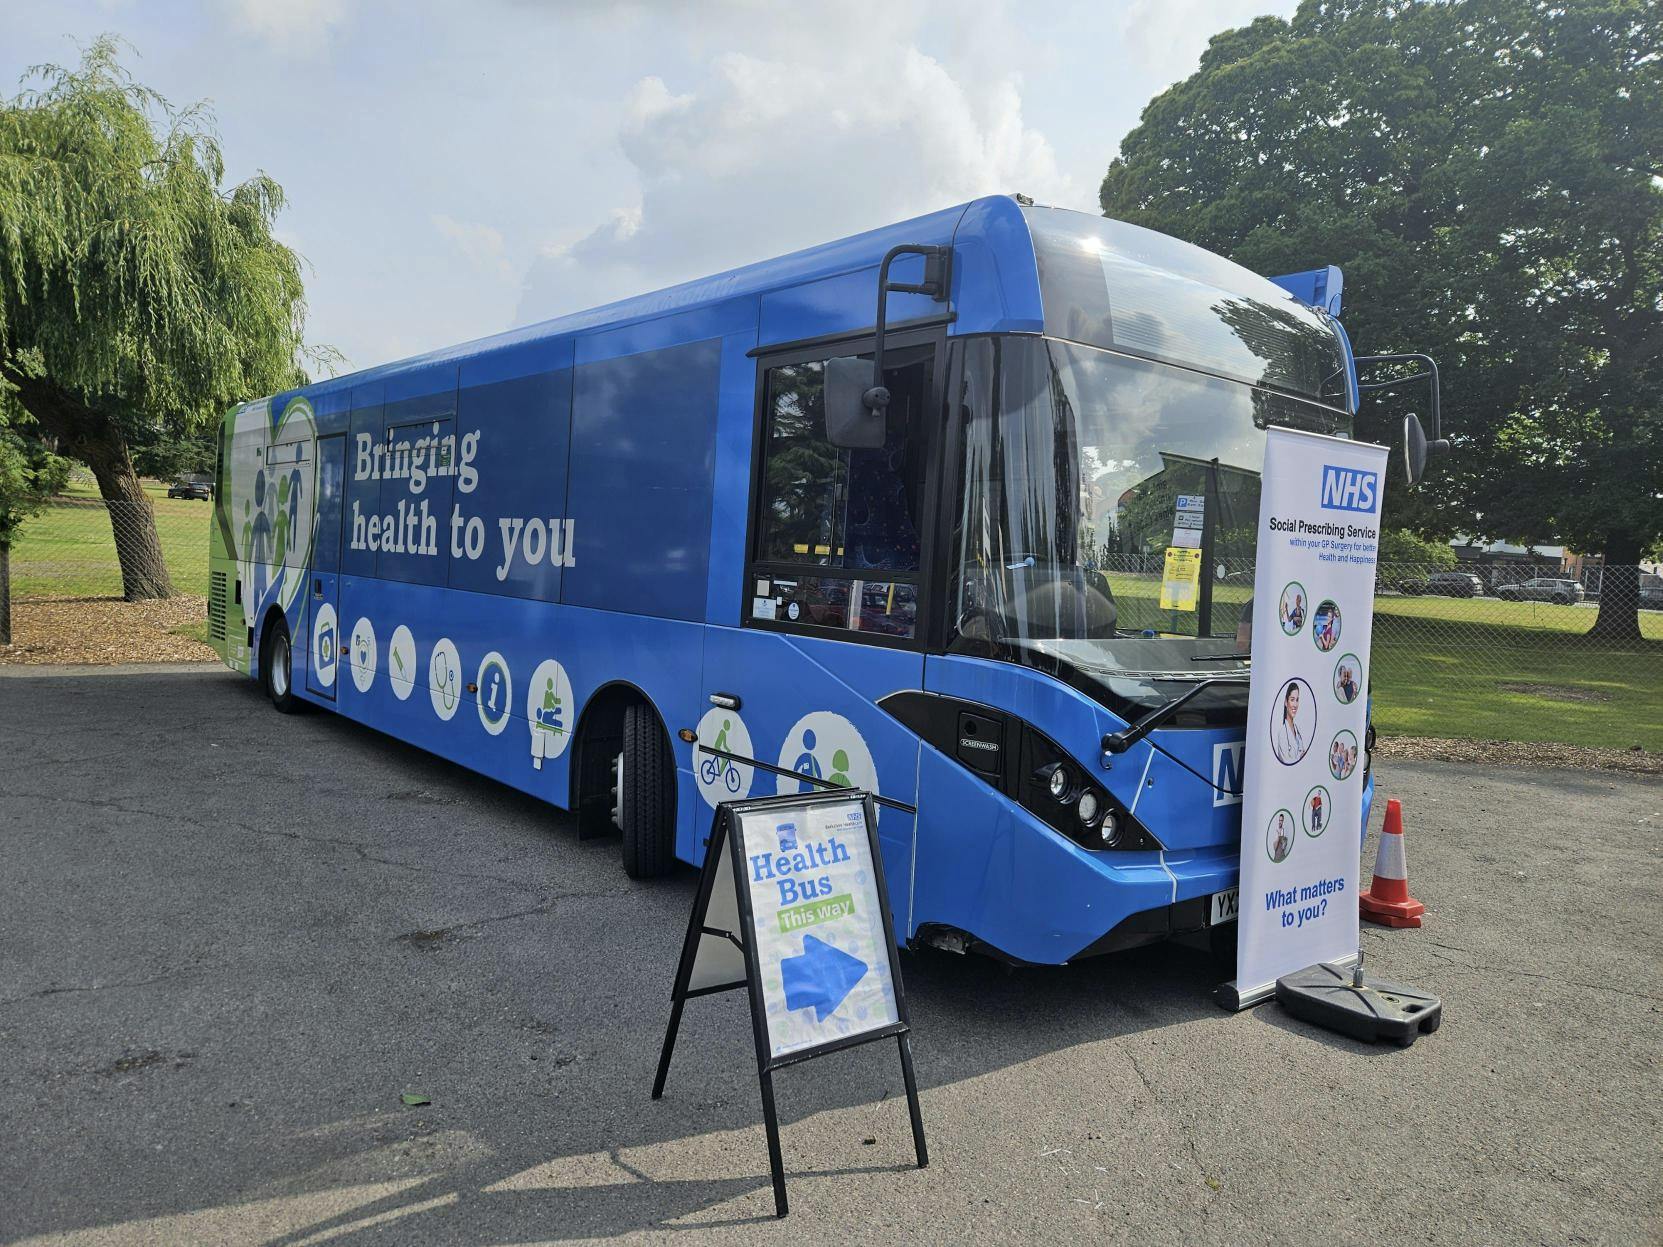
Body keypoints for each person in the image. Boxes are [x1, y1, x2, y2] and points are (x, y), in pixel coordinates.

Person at [1273, 681, 1306, 763]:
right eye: (1292, 700)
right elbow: (1286, 762)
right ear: (1285, 702)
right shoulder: (1282, 733)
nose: (1295, 704)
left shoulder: (1297, 730)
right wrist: (1301, 757)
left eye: (1297, 700)